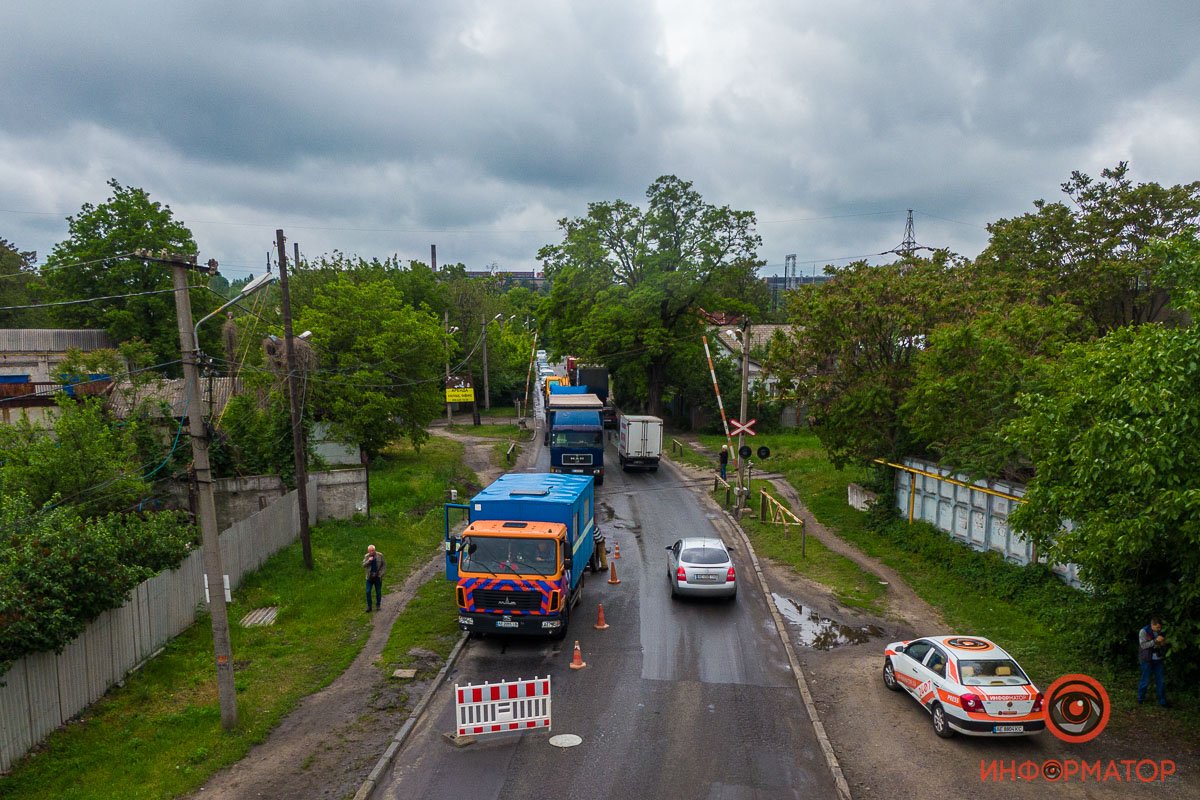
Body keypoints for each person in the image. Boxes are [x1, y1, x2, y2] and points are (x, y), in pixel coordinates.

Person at [1137, 617, 1168, 706]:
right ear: (1152, 625)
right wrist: (1155, 641)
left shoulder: (1160, 631)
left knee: (1161, 681)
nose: (1159, 629)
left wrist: (1163, 643)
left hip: (1158, 659)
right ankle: (1140, 698)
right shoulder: (1143, 631)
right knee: (1145, 680)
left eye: (1160, 627)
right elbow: (1143, 645)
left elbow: (1163, 644)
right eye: (1157, 627)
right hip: (1146, 659)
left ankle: (1162, 701)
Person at [363, 544, 386, 612]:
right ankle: (369, 606)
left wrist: (380, 574)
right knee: (368, 591)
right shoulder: (366, 556)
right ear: (368, 551)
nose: (372, 552)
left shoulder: (380, 555)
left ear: (375, 550)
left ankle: (378, 605)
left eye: (373, 550)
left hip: (377, 577)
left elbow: (384, 565)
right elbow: (363, 565)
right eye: (370, 551)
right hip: (369, 578)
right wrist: (369, 561)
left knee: (378, 592)